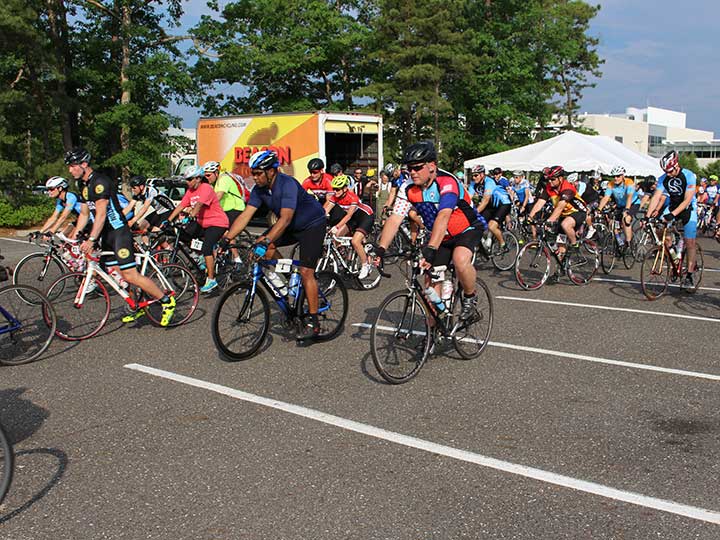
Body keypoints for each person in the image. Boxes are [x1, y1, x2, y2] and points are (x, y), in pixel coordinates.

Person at [65, 147, 175, 325]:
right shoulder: (83, 185)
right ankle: (136, 304)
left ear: (84, 164)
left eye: (72, 166)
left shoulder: (100, 182)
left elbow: (101, 214)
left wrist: (91, 240)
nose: (70, 170)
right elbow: (85, 214)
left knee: (130, 275)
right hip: (106, 234)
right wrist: (76, 237)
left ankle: (166, 300)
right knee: (118, 275)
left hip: (118, 232)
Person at [224, 150, 327, 340]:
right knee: (263, 246)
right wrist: (227, 238)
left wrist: (267, 240)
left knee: (306, 271)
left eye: (258, 173)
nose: (254, 177)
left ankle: (314, 321)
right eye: (252, 173)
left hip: (312, 224)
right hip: (292, 225)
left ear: (272, 171)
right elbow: (246, 215)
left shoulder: (287, 184)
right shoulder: (259, 190)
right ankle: (289, 279)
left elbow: (285, 218)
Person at [375, 141, 484, 320]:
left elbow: (443, 216)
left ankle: (470, 298)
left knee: (460, 259)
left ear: (432, 166)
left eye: (417, 168)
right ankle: (434, 331)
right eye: (409, 168)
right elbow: (395, 219)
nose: (412, 172)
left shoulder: (447, 182)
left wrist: (431, 248)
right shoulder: (407, 187)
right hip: (440, 234)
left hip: (467, 228)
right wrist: (381, 249)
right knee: (430, 284)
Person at [165, 165, 229, 294]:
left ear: (198, 178)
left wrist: (190, 217)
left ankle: (211, 280)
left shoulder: (206, 188)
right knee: (183, 235)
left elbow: (199, 205)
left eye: (189, 179)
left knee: (207, 247)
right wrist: (168, 220)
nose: (187, 182)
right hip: (203, 223)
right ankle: (200, 256)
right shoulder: (190, 191)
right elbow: (181, 205)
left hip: (217, 223)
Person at [646, 150, 699, 289]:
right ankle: (674, 257)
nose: (668, 174)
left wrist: (673, 214)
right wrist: (647, 216)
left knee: (689, 241)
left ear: (676, 165)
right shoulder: (663, 178)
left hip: (688, 208)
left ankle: (689, 275)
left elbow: (687, 199)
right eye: (666, 171)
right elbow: (656, 196)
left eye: (670, 171)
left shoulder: (689, 175)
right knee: (660, 231)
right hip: (673, 206)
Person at [528, 165, 588, 281]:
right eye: (548, 179)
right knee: (560, 243)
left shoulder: (567, 188)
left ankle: (574, 244)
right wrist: (530, 217)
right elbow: (540, 203)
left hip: (578, 212)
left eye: (553, 179)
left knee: (565, 224)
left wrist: (549, 221)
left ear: (561, 178)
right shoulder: (549, 188)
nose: (550, 182)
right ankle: (559, 270)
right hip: (564, 214)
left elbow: (560, 207)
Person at [324, 174, 375, 279]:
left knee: (355, 241)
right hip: (354, 219)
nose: (336, 191)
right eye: (334, 189)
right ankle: (343, 256)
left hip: (365, 217)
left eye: (338, 189)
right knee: (336, 236)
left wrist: (337, 226)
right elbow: (325, 210)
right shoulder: (335, 197)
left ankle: (366, 265)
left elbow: (348, 215)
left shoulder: (352, 197)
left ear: (345, 188)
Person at [597, 166, 641, 248]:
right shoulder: (611, 184)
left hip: (633, 203)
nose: (616, 178)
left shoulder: (629, 182)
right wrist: (599, 209)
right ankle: (619, 241)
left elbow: (629, 196)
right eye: (614, 176)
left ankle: (628, 243)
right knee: (612, 223)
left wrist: (627, 210)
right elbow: (606, 197)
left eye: (618, 176)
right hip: (620, 205)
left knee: (626, 219)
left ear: (623, 176)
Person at [475, 164, 512, 253]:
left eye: (476, 175)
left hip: (503, 203)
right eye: (472, 175)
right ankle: (485, 244)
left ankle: (503, 245)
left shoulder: (489, 182)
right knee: (477, 223)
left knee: (491, 226)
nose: (473, 177)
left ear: (482, 175)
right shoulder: (475, 184)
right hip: (492, 205)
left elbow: (485, 201)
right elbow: (468, 196)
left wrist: (474, 212)